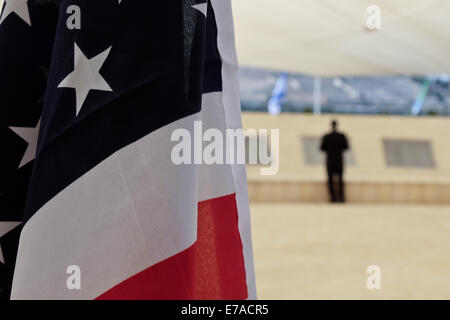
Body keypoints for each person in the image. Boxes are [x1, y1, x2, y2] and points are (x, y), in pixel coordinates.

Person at [320, 120, 349, 203]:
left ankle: (332, 197)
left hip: (330, 160)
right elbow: (346, 147)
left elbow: (322, 148)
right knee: (340, 179)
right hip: (339, 160)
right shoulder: (341, 136)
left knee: (330, 180)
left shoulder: (327, 136)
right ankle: (341, 197)